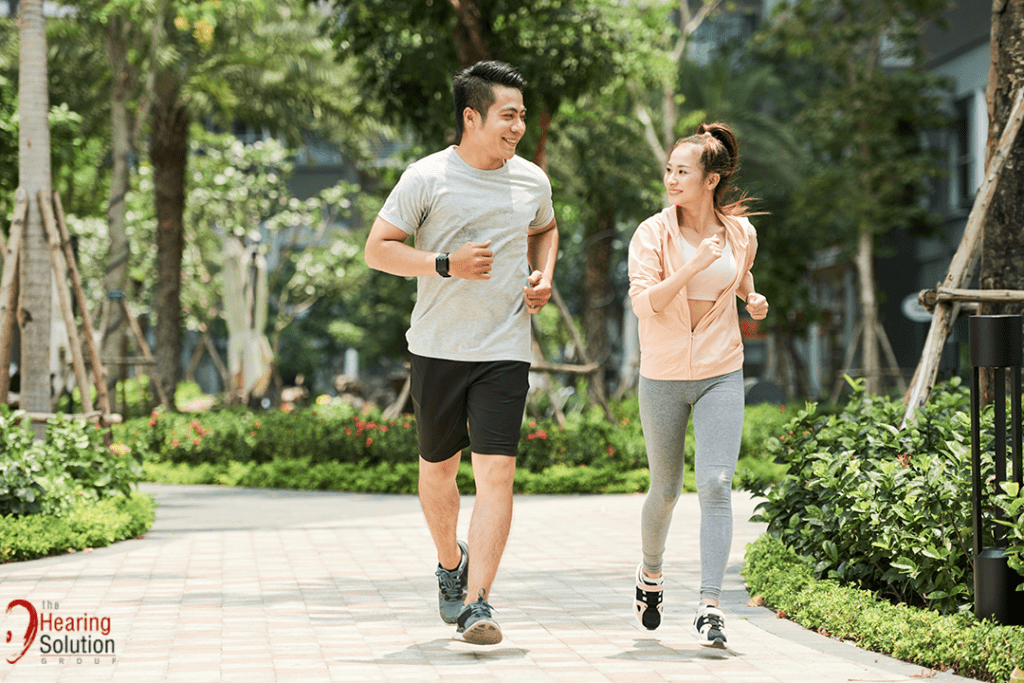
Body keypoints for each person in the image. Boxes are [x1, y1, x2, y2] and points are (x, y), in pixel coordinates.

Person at [363, 60, 559, 646]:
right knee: (437, 471)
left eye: (522, 115)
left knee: (497, 472)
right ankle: (450, 561)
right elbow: (377, 250)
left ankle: (478, 603)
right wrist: (444, 263)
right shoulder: (427, 177)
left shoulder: (532, 180)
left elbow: (546, 229)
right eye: (508, 115)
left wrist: (543, 275)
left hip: (504, 348)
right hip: (437, 349)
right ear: (471, 117)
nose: (518, 126)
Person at [626, 122, 769, 649]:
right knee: (664, 490)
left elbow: (740, 276)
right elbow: (646, 304)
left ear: (711, 180)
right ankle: (651, 575)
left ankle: (711, 605)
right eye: (668, 170)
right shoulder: (652, 233)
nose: (670, 178)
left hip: (721, 372)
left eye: (681, 171)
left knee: (715, 486)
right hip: (662, 375)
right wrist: (693, 265)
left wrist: (751, 299)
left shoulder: (741, 234)